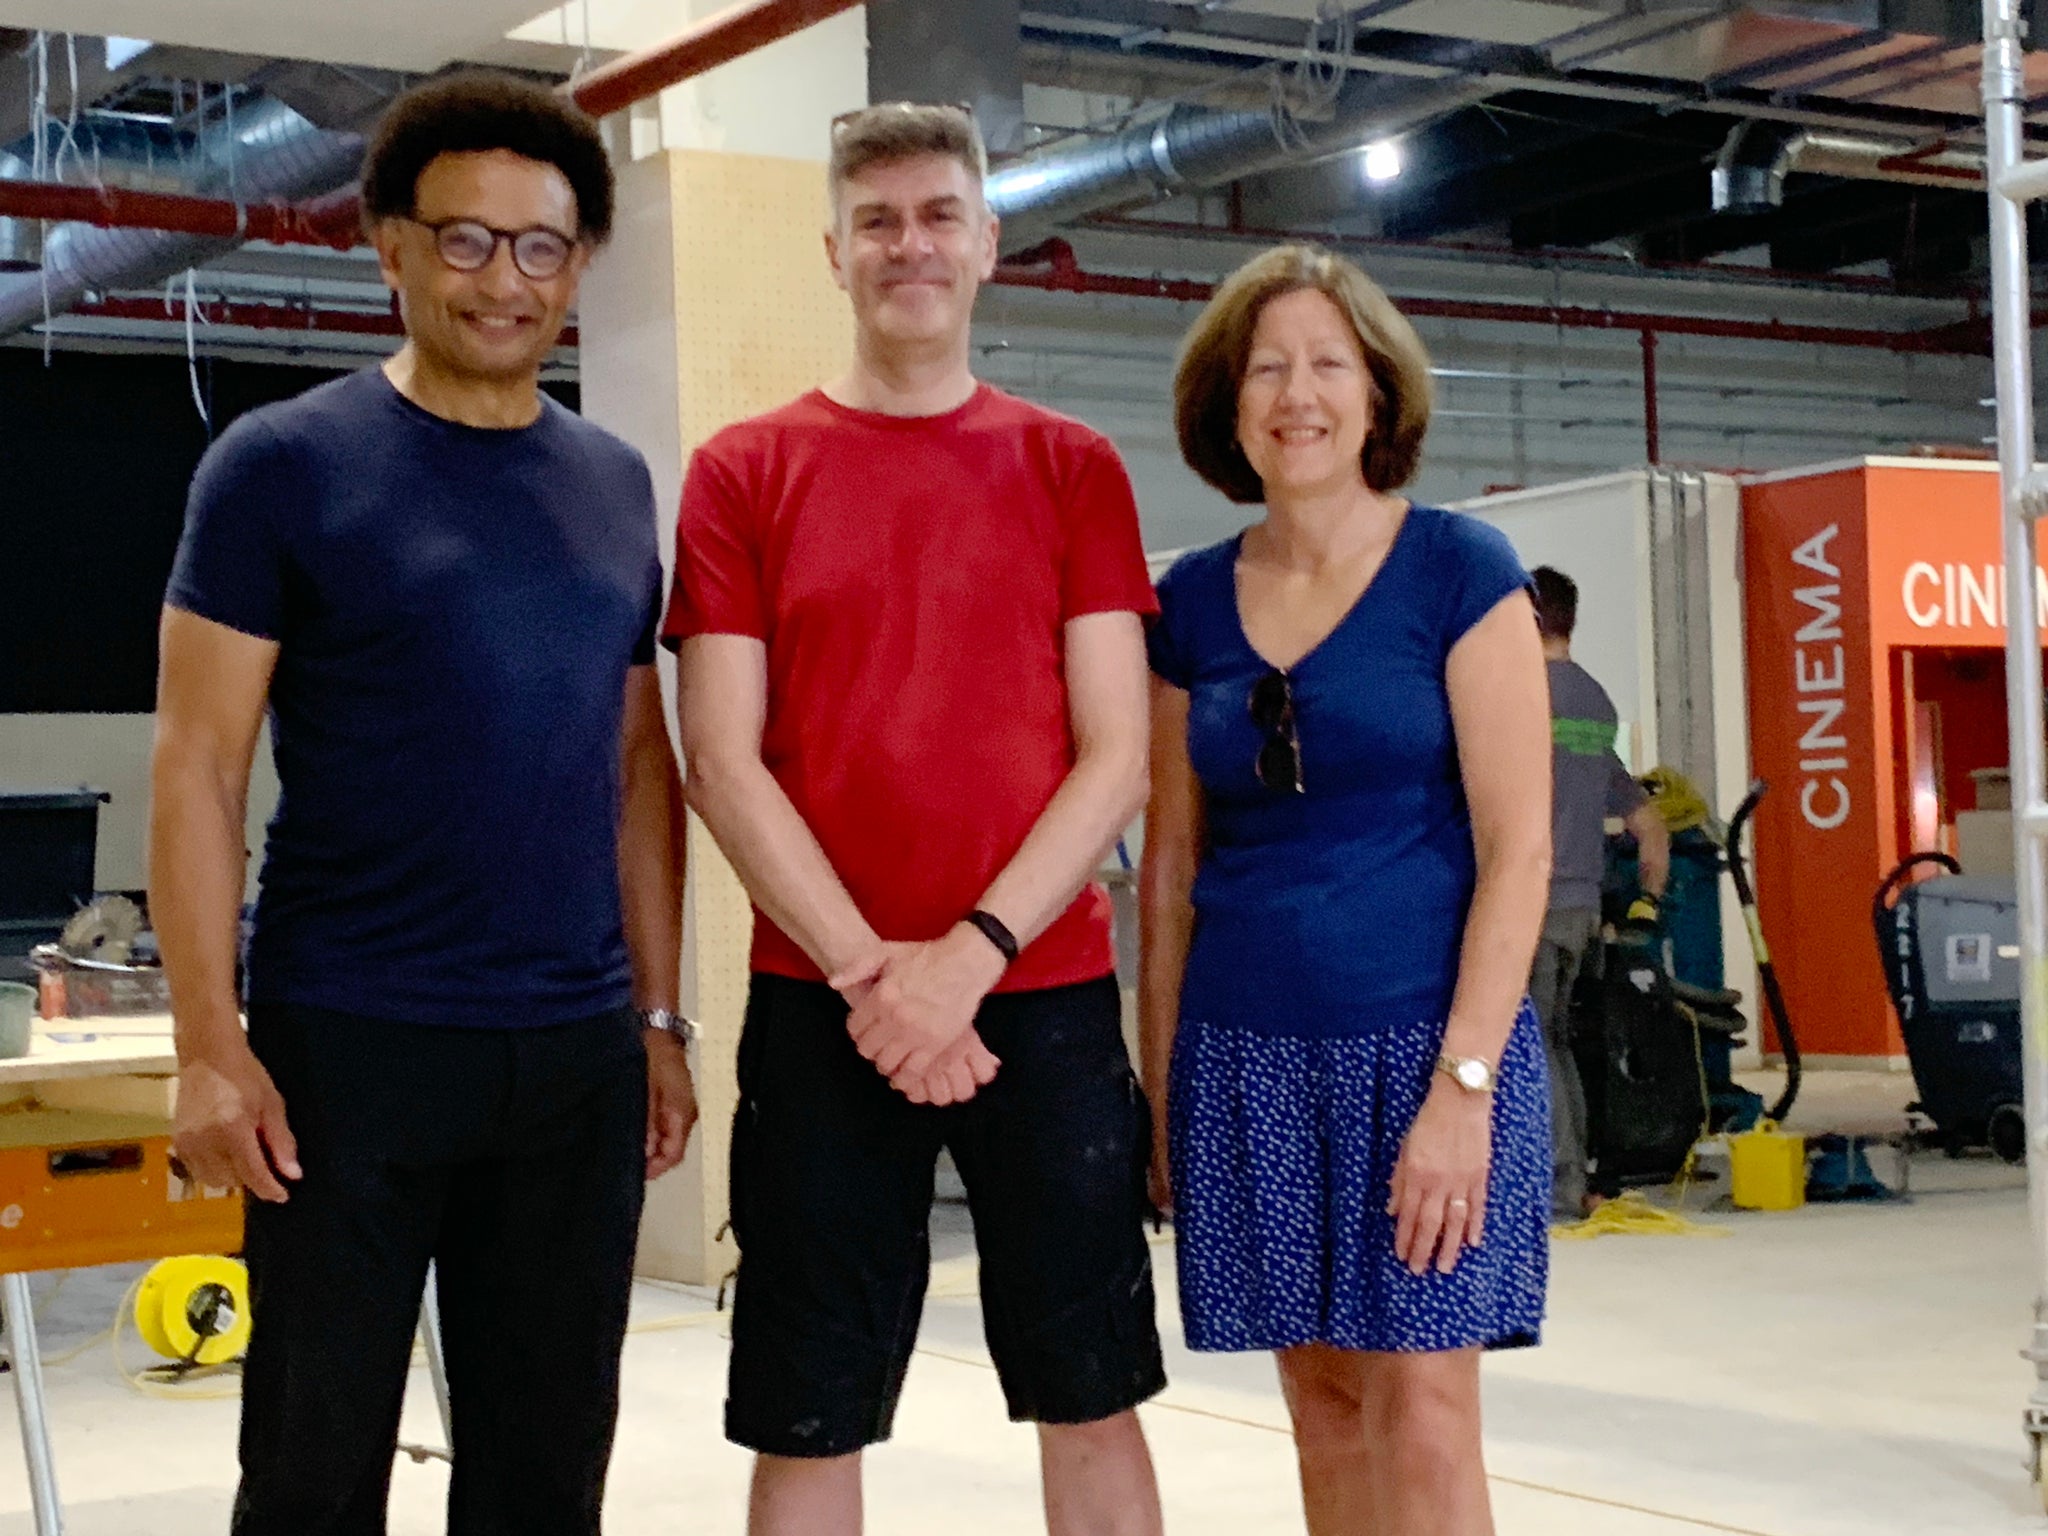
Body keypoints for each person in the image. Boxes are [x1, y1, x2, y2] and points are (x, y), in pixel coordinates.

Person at [150, 73, 697, 1536]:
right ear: (389, 247)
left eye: (540, 245)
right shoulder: (278, 468)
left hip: (573, 1059)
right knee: (316, 1474)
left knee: (544, 1476)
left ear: (580, 261)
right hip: (350, 1053)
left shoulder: (612, 484)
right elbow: (197, 768)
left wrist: (656, 1017)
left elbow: (639, 761)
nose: (502, 279)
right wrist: (211, 1048)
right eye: (462, 241)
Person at [667, 102, 1165, 1536]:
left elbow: (1115, 752)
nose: (911, 244)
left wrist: (969, 959)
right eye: (878, 219)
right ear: (833, 249)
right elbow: (723, 756)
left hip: (1045, 999)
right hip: (826, 1008)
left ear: (989, 243)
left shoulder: (1073, 468)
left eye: (940, 213)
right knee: (808, 1403)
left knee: (1090, 1390)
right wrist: (874, 974)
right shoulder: (744, 474)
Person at [1140, 244, 1553, 1536]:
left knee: (1426, 1407)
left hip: (1428, 1053)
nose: (1297, 393)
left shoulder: (1460, 571)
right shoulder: (1191, 605)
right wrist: (1164, 1094)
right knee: (1321, 1402)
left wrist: (1463, 1093)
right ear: (1228, 404)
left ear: (1377, 395)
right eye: (1267, 367)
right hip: (1249, 1057)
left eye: (1327, 364)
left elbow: (1521, 849)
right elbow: (1170, 873)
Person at [1527, 564, 1671, 1221]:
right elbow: (1650, 824)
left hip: (1530, 899)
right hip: (1582, 905)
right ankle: (1570, 1174)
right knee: (1556, 1041)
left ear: (1528, 619)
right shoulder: (1596, 701)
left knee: (1528, 1044)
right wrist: (1648, 901)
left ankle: (1554, 1190)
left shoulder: (1523, 694)